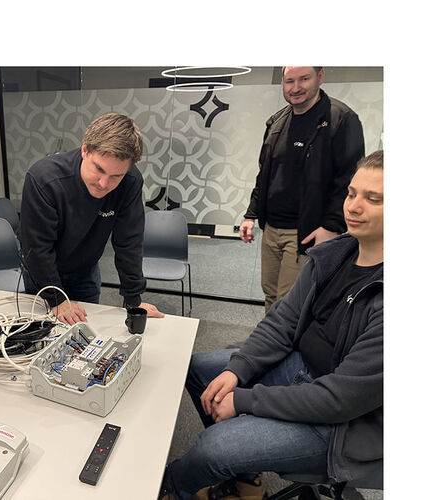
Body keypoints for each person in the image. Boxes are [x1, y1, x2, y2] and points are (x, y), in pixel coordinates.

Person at [160, 151, 383, 500]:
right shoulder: (335, 254)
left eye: (374, 199)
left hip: (344, 424)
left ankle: (169, 489)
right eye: (352, 193)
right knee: (200, 370)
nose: (353, 207)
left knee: (213, 448)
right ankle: (247, 479)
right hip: (299, 368)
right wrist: (238, 370)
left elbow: (339, 399)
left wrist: (245, 400)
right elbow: (283, 321)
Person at [240, 66, 365, 312]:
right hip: (271, 228)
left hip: (305, 230)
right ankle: (270, 337)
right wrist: (250, 214)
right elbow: (265, 174)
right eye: (289, 81)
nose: (295, 88)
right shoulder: (277, 121)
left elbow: (349, 180)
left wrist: (331, 226)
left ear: (320, 77)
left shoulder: (341, 119)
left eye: (304, 79)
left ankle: (282, 338)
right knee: (270, 294)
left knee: (290, 302)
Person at [19, 112, 164, 325]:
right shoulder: (44, 179)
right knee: (43, 332)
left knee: (86, 332)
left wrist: (133, 300)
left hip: (84, 271)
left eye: (116, 176)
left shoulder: (130, 182)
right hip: (41, 273)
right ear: (85, 150)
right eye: (99, 169)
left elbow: (129, 242)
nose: (104, 184)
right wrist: (56, 299)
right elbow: (37, 247)